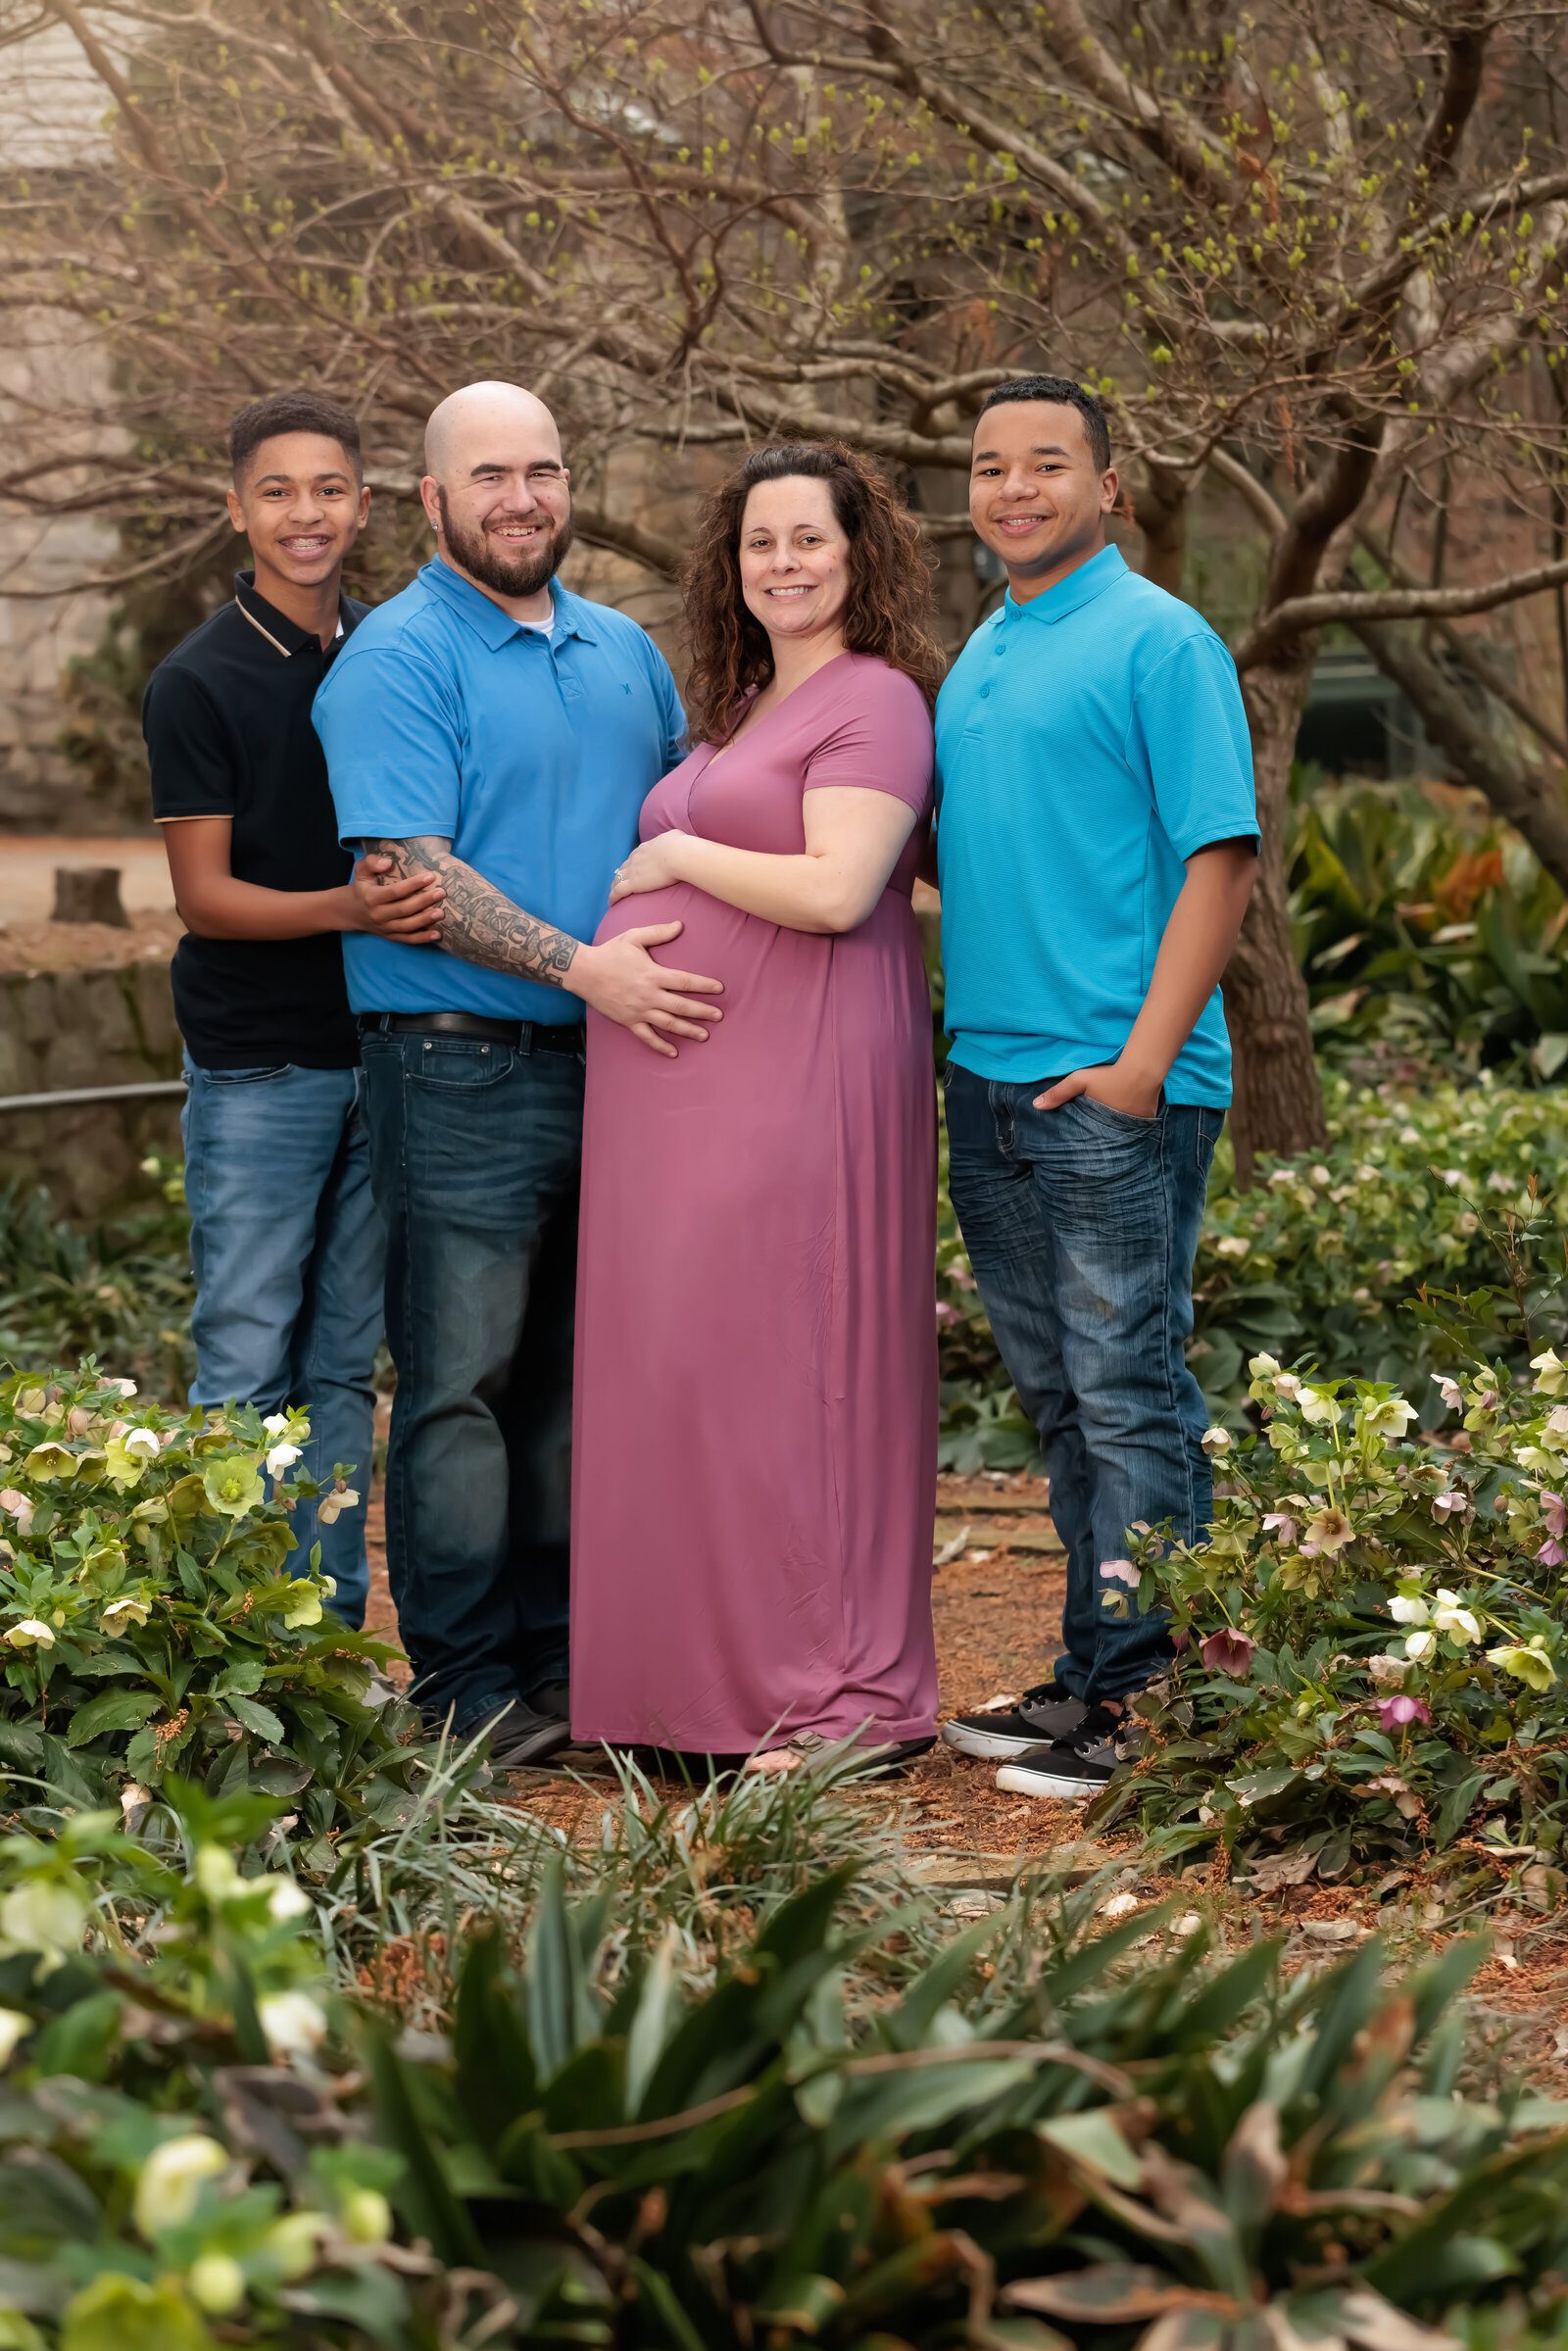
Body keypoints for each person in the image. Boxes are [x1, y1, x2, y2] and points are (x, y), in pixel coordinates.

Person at [313, 380, 723, 1769]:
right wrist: (586, 966)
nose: (523, 497)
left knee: (571, 1381)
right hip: (458, 1073)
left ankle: (567, 1657)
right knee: (459, 1386)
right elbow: (410, 869)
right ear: (431, 499)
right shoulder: (394, 658)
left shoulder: (623, 649)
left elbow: (688, 817)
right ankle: (467, 1683)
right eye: (489, 475)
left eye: (543, 469)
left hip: (625, 1069)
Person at [568, 442, 946, 1770]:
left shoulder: (878, 699)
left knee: (798, 1373)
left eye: (809, 539)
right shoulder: (731, 705)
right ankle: (687, 1691)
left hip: (801, 1080)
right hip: (676, 1101)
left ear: (859, 555)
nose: (782, 563)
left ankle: (834, 1693)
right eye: (759, 542)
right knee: (692, 1381)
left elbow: (843, 888)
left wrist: (669, 851)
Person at [934, 376, 1258, 1800]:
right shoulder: (980, 650)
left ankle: (1147, 1699)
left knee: (1128, 1386)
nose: (1016, 486)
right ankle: (1091, 1669)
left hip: (1113, 1088)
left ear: (1109, 486)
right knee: (1065, 1397)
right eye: (993, 466)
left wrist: (1138, 1067)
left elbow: (1221, 857)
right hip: (991, 1082)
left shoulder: (1160, 638)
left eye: (1047, 463)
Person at [143, 390, 440, 1627]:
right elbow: (207, 898)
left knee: (339, 1364)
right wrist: (351, 912)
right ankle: (229, 1633)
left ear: (364, 506)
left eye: (328, 489)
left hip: (382, 1047)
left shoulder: (387, 651)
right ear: (236, 510)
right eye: (277, 490)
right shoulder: (197, 679)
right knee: (248, 1354)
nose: (305, 512)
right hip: (263, 1062)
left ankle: (319, 1629)